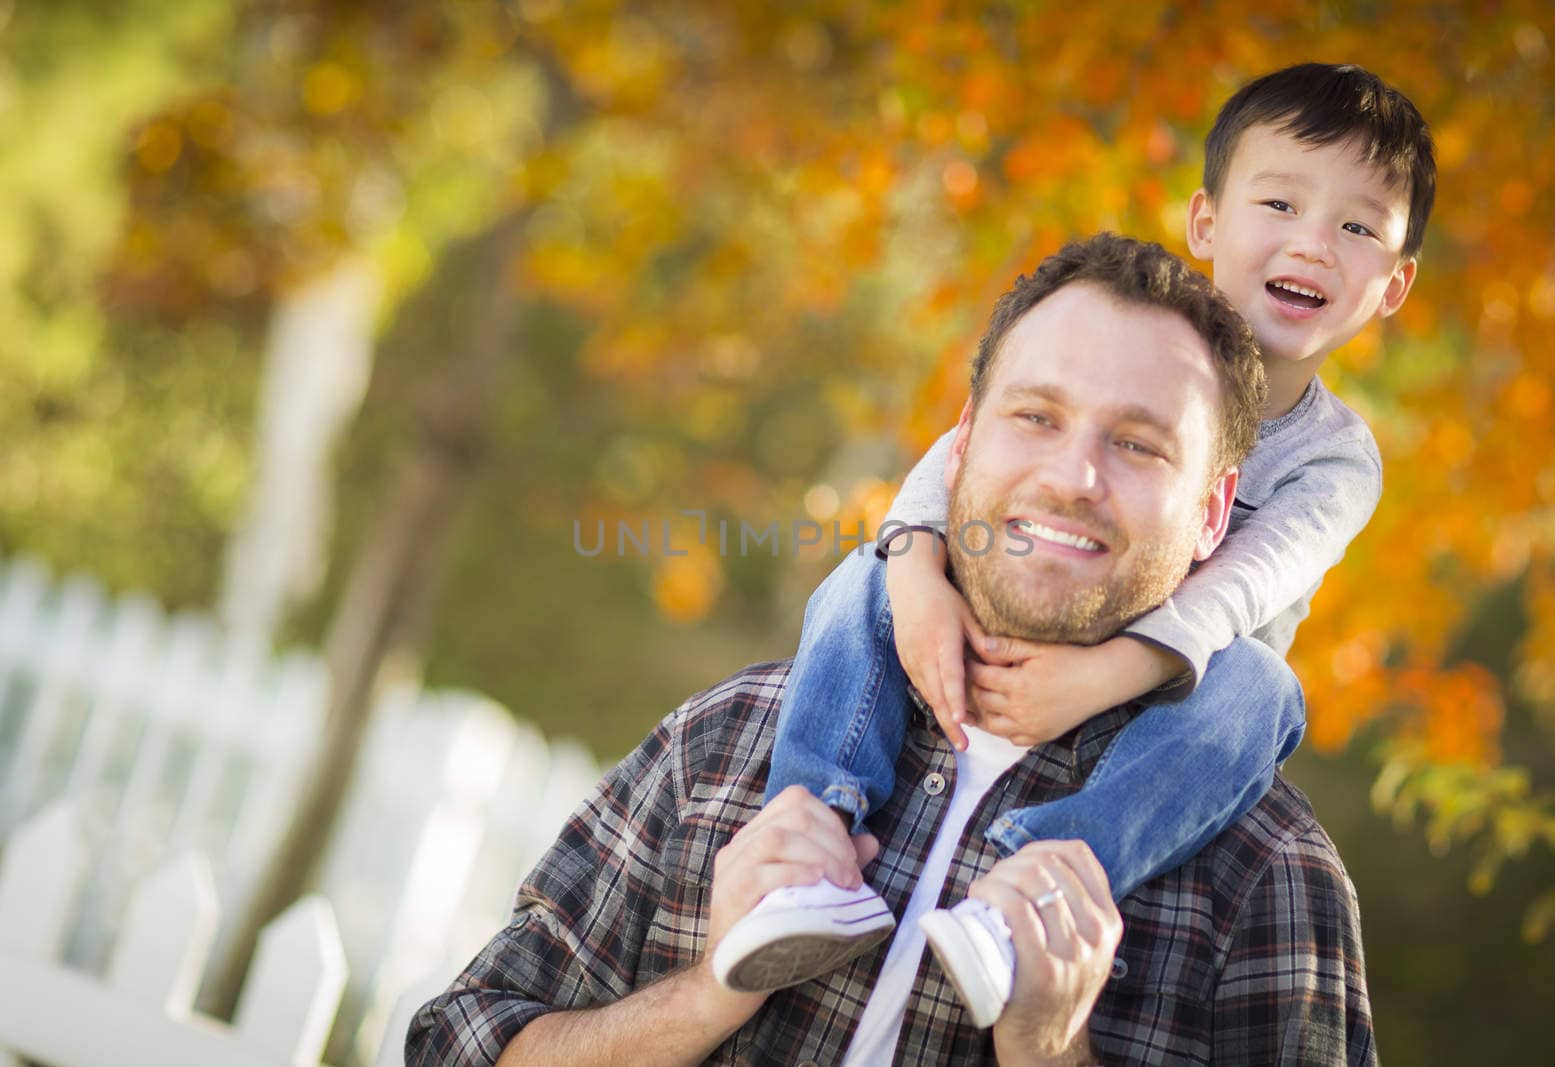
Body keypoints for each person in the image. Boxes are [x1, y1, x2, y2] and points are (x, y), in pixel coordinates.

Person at [407, 233, 1377, 1065]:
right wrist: (708, 988)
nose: (1073, 475)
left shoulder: (1268, 873)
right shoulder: (731, 739)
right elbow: (463, 1043)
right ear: (959, 447)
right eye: (1034, 416)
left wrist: (1048, 1046)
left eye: (1138, 445)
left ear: (1214, 512)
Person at [724, 62, 1432, 1026]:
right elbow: (957, 454)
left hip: (1185, 698)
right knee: (863, 573)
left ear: (1394, 285)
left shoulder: (1337, 460)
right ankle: (810, 834)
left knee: (1265, 691)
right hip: (1030, 605)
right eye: (1280, 202)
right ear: (1207, 225)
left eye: (1357, 227)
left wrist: (1105, 675)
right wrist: (916, 566)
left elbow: (1246, 590)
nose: (1314, 244)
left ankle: (1036, 887)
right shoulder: (1125, 328)